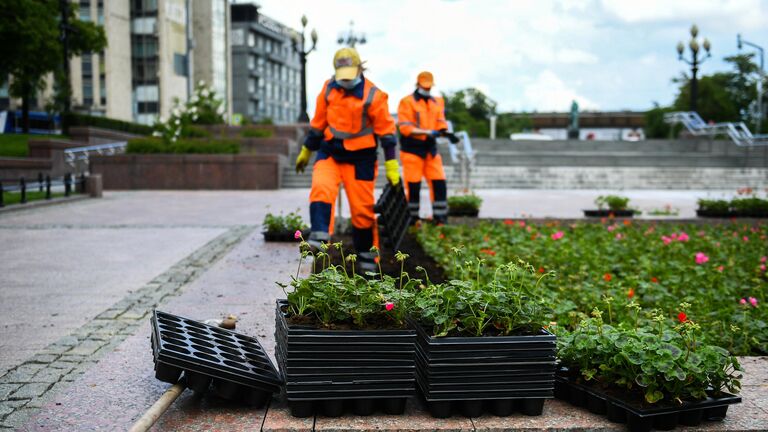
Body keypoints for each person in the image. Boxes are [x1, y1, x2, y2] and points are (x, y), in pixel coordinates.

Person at [295, 47, 400, 272]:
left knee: (362, 212)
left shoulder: (374, 95)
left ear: (360, 69)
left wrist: (391, 163)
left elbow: (387, 133)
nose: (345, 81)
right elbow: (318, 125)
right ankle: (319, 239)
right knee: (321, 188)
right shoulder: (327, 89)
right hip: (330, 152)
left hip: (361, 159)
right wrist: (306, 150)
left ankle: (368, 261)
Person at [397, 71, 455, 224]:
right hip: (412, 150)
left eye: (429, 88)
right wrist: (428, 132)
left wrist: (446, 133)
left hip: (430, 150)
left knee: (439, 183)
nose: (427, 90)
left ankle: (440, 219)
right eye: (424, 87)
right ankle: (413, 220)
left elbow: (441, 123)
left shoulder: (438, 102)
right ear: (417, 85)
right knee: (413, 186)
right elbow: (405, 128)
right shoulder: (407, 102)